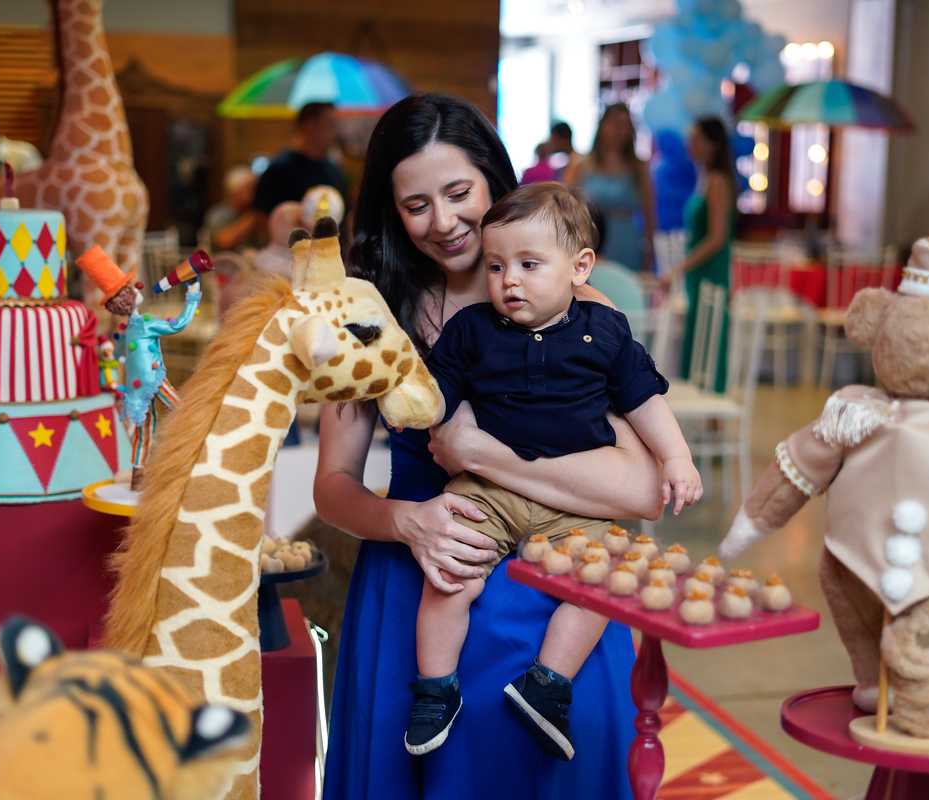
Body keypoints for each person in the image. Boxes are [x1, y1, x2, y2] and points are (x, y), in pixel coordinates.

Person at [314, 93, 663, 800]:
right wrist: (404, 521)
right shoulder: (371, 314)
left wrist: (476, 454)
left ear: (495, 182)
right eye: (416, 206)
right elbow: (332, 486)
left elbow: (643, 490)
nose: (442, 222)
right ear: (391, 211)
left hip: (555, 597)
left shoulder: (580, 311)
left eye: (458, 193)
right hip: (422, 585)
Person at [407, 182, 701, 760]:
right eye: (496, 266)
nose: (508, 281)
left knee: (604, 580)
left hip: (575, 504)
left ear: (579, 268)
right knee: (450, 576)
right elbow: (436, 395)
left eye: (529, 265)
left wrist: (676, 457)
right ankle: (435, 688)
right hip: (487, 490)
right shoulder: (472, 329)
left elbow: (644, 400)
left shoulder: (604, 330)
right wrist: (416, 403)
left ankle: (547, 684)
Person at [76, 247, 201, 490]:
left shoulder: (128, 330)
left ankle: (138, 477)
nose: (137, 288)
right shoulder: (146, 324)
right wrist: (193, 294)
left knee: (144, 432)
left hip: (134, 392)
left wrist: (111, 354)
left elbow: (119, 353)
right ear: (127, 298)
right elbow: (179, 325)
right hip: (154, 380)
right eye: (131, 288)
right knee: (183, 411)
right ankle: (193, 454)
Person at [666, 117, 735, 393]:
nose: (689, 144)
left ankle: (711, 402)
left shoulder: (718, 181)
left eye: (696, 139)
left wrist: (679, 267)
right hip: (699, 270)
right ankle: (697, 396)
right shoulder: (705, 178)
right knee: (698, 333)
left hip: (710, 269)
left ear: (712, 144)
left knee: (710, 334)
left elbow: (717, 237)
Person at [565, 104, 655, 272]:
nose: (621, 131)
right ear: (602, 125)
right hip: (589, 240)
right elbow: (563, 209)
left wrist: (649, 260)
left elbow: (650, 216)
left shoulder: (639, 167)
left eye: (626, 125)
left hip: (627, 244)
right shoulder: (579, 163)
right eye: (616, 124)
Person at [252, 102, 347, 219]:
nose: (336, 133)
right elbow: (261, 217)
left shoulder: (333, 170)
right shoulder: (280, 170)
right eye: (330, 125)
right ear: (309, 124)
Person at [204, 164, 263, 251]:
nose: (256, 193)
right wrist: (250, 219)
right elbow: (224, 242)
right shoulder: (218, 214)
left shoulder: (260, 213)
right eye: (250, 189)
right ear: (235, 191)